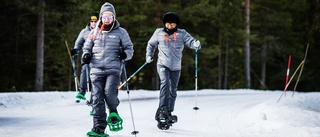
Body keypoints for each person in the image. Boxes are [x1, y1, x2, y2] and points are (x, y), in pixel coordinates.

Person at [82, 2, 134, 136]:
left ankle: (113, 110)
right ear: (100, 18)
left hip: (113, 69)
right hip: (96, 70)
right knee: (97, 98)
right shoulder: (94, 32)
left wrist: (125, 54)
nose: (107, 20)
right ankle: (99, 128)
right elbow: (87, 47)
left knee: (109, 93)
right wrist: (86, 55)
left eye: (109, 17)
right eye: (104, 17)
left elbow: (130, 49)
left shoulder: (121, 32)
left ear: (114, 18)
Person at [145, 12, 201, 129]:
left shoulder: (182, 33)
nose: (170, 26)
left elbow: (191, 41)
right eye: (168, 23)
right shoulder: (158, 33)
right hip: (162, 64)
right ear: (165, 23)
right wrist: (149, 55)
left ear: (176, 24)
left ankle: (169, 112)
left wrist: (195, 44)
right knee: (165, 83)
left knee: (173, 90)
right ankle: (162, 109)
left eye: (173, 24)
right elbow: (151, 44)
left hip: (176, 66)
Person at [71, 12, 99, 101]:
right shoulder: (84, 31)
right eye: (92, 21)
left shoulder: (101, 31)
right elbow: (78, 43)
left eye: (95, 21)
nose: (94, 23)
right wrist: (76, 50)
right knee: (85, 68)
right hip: (87, 56)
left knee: (96, 79)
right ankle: (82, 90)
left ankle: (93, 100)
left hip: (98, 58)